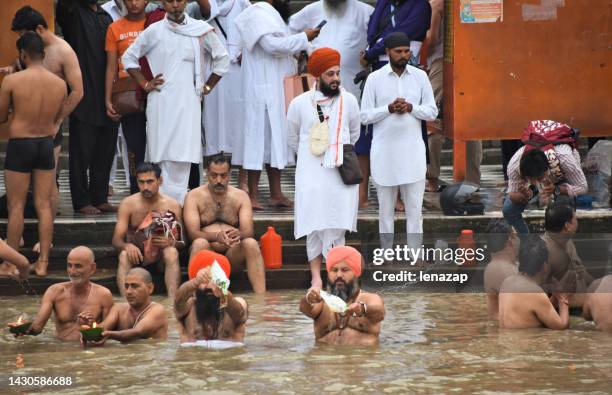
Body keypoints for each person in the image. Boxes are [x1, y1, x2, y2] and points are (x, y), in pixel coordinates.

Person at [122, 0, 230, 205]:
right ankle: (161, 216)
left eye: (179, 0)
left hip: (188, 103)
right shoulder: (154, 31)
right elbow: (129, 58)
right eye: (170, 1)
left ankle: (177, 215)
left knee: (183, 156)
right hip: (161, 103)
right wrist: (145, 84)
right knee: (160, 157)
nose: (175, 5)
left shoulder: (200, 30)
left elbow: (222, 60)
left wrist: (207, 87)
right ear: (163, 3)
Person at [7, 6, 84, 246]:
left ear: (40, 29)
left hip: (50, 125)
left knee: (48, 184)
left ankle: (46, 241)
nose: (22, 40)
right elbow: (22, 70)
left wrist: (58, 119)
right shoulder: (30, 48)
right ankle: (14, 237)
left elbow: (78, 92)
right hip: (25, 126)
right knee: (18, 192)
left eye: (24, 34)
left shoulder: (63, 51)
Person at [234, 0, 321, 210]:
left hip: (276, 89)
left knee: (276, 143)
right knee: (257, 142)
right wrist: (303, 38)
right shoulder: (256, 13)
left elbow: (281, 46)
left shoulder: (272, 14)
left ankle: (276, 193)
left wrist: (302, 47)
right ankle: (252, 196)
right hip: (260, 92)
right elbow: (271, 46)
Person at [287, 48, 361, 289]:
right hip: (311, 172)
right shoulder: (299, 103)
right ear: (318, 75)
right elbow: (292, 138)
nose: (336, 79)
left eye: (338, 73)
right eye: (330, 74)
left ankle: (336, 274)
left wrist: (335, 150)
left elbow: (355, 132)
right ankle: (317, 277)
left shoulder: (348, 100)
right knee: (314, 222)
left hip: (339, 171)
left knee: (337, 222)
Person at [360, 32, 437, 251]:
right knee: (385, 211)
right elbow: (364, 116)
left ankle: (415, 253)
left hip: (413, 153)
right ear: (387, 52)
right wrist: (389, 109)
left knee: (415, 209)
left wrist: (412, 108)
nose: (403, 55)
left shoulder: (420, 76)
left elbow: (432, 112)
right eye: (398, 52)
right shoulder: (374, 78)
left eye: (406, 51)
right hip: (384, 153)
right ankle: (386, 252)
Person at [0, 33, 68, 278]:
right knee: (44, 205)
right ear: (44, 54)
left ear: (23, 54)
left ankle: (9, 264)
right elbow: (57, 118)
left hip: (21, 143)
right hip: (45, 145)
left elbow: (1, 117)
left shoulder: (13, 81)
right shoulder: (59, 84)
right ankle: (43, 263)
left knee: (15, 205)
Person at [357, 0, 432, 208]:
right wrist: (371, 51)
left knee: (404, 132)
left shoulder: (420, 6)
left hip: (405, 68)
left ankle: (400, 196)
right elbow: (372, 31)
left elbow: (401, 36)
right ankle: (362, 195)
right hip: (378, 71)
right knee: (366, 134)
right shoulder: (383, 3)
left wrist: (371, 52)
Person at [57, 0, 119, 215]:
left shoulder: (106, 16)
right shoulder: (72, 13)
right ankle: (81, 200)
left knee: (105, 150)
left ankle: (99, 197)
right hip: (83, 97)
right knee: (81, 154)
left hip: (107, 96)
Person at [184, 154, 266, 293]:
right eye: (214, 175)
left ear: (230, 175)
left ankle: (261, 299)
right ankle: (194, 296)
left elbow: (248, 231)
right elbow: (192, 233)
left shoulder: (240, 196)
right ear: (206, 174)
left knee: (251, 243)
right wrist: (217, 236)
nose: (219, 180)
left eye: (223, 175)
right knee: (199, 243)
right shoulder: (194, 196)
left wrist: (238, 234)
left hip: (232, 257)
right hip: (206, 257)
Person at [424, 0, 481, 192]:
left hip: (441, 62)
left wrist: (424, 58)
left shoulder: (437, 3)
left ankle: (432, 177)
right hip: (470, 61)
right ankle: (472, 180)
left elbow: (431, 38)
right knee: (471, 123)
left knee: (433, 120)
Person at [112, 163, 184, 300]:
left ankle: (173, 302)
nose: (145, 187)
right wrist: (127, 246)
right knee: (123, 255)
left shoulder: (173, 205)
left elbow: (183, 241)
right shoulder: (128, 204)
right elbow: (116, 240)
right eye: (141, 182)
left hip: (161, 259)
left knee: (172, 252)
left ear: (160, 181)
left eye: (150, 181)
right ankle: (126, 302)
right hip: (136, 257)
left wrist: (171, 242)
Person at [503, 121, 587, 234]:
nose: (540, 182)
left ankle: (562, 242)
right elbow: (513, 195)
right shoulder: (514, 165)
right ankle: (526, 241)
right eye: (534, 179)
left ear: (547, 167)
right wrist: (525, 195)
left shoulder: (566, 159)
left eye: (541, 177)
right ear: (526, 175)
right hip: (535, 176)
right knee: (508, 210)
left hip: (560, 174)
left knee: (563, 209)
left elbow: (583, 187)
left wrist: (557, 190)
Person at [200, 0, 250, 188]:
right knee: (212, 125)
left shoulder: (243, 3)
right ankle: (213, 177)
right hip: (213, 71)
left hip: (238, 71)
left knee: (241, 125)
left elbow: (252, 31)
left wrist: (247, 49)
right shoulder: (203, 5)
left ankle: (242, 181)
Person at [104, 0, 150, 195]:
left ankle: (159, 191)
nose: (133, 3)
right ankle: (135, 190)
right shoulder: (115, 28)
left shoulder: (155, 24)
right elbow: (111, 67)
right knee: (133, 147)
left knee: (157, 146)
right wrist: (108, 99)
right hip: (127, 94)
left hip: (153, 92)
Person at [21, 246, 114, 341]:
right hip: (59, 348)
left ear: (92, 268)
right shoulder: (54, 291)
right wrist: (23, 329)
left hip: (88, 350)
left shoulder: (104, 295)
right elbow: (38, 327)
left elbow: (107, 333)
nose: (72, 271)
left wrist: (93, 326)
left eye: (78, 266)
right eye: (69, 265)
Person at [288, 0, 373, 100]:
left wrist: (369, 55)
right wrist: (305, 49)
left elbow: (379, 38)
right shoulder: (311, 10)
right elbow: (289, 29)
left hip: (351, 83)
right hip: (320, 84)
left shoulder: (366, 12)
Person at [300, 246, 385, 345]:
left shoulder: (368, 298)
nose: (339, 275)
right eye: (334, 270)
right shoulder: (322, 300)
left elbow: (379, 310)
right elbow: (305, 309)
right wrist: (308, 298)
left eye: (345, 270)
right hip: (324, 358)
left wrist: (362, 308)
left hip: (361, 358)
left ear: (356, 273)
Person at [175, 251, 248, 342]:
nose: (210, 286)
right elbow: (178, 300)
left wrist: (224, 293)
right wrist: (196, 281)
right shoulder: (187, 307)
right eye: (205, 281)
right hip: (194, 355)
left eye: (214, 281)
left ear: (224, 283)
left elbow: (239, 315)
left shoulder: (236, 303)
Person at [498, 237, 570, 330]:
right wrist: (563, 300)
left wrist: (556, 297)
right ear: (545, 266)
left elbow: (533, 311)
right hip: (528, 343)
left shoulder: (507, 282)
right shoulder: (535, 292)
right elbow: (561, 327)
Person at [85, 268, 168, 345]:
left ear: (150, 288)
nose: (128, 291)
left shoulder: (157, 310)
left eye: (135, 286)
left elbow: (137, 332)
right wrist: (90, 328)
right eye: (126, 286)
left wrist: (109, 335)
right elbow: (103, 328)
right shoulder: (118, 309)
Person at [542, 199, 593, 306]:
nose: (577, 220)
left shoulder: (567, 240)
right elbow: (536, 292)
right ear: (567, 226)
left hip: (581, 301)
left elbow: (581, 273)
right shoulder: (543, 252)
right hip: (560, 310)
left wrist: (599, 285)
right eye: (575, 218)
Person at [483, 220, 519, 320]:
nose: (519, 239)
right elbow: (525, 305)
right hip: (507, 331)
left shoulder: (504, 265)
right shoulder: (501, 269)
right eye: (516, 235)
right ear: (510, 241)